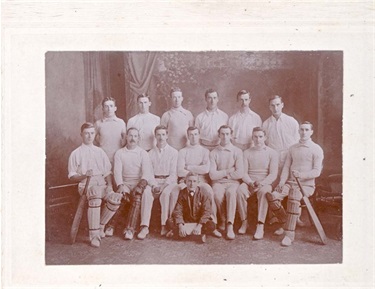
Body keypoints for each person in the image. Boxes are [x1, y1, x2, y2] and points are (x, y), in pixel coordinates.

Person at [267, 121, 324, 246]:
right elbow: (286, 167)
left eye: (306, 130)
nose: (304, 132)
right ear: (298, 131)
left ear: (311, 132)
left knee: (294, 195)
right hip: (290, 183)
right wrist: (282, 182)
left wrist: (302, 175)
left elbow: (317, 171)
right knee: (271, 196)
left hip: (307, 186)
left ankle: (289, 235)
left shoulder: (316, 149)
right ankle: (286, 222)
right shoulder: (292, 148)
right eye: (301, 130)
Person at [68, 122, 122, 248]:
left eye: (92, 133)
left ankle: (101, 226)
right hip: (85, 185)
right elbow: (72, 176)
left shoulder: (100, 152)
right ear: (81, 134)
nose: (89, 136)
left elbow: (107, 172)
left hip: (102, 184)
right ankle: (94, 236)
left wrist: (109, 185)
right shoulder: (76, 153)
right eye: (86, 133)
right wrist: (85, 175)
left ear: (95, 135)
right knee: (95, 194)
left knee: (116, 198)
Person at [173, 126, 222, 238]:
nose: (193, 137)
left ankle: (213, 223)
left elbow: (206, 169)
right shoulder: (182, 151)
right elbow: (180, 171)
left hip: (201, 180)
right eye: (191, 134)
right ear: (188, 136)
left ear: (199, 135)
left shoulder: (205, 151)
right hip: (185, 181)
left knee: (208, 190)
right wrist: (197, 169)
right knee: (176, 190)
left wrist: (189, 167)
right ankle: (175, 225)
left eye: (195, 134)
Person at [108, 127, 154, 240]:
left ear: (138, 138)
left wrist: (140, 185)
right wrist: (120, 185)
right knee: (122, 196)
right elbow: (117, 172)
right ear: (126, 137)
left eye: (135, 136)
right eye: (130, 136)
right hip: (125, 183)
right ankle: (110, 226)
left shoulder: (143, 153)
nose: (132, 138)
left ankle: (130, 229)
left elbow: (146, 172)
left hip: (138, 183)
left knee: (137, 197)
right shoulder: (119, 153)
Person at [236, 127, 278, 240]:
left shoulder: (272, 153)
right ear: (252, 138)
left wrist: (262, 183)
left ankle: (260, 225)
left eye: (260, 137)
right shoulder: (247, 152)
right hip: (250, 181)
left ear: (265, 137)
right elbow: (243, 172)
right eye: (255, 137)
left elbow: (273, 174)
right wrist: (250, 182)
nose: (258, 139)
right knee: (240, 190)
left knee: (264, 192)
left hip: (264, 183)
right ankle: (244, 222)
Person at [209, 125, 243, 240]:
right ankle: (222, 218)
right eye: (222, 134)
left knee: (231, 193)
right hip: (218, 183)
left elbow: (239, 173)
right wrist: (228, 171)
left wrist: (224, 174)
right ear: (219, 135)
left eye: (227, 134)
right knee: (217, 195)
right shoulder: (213, 152)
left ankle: (230, 224)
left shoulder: (237, 151)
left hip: (233, 182)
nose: (225, 136)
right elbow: (212, 175)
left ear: (231, 135)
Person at [166, 172, 217, 243]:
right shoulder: (182, 193)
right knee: (169, 222)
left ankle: (179, 234)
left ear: (198, 182)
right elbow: (178, 210)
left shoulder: (204, 192)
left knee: (211, 225)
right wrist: (181, 225)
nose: (192, 184)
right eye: (189, 181)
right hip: (186, 221)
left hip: (199, 221)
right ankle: (198, 235)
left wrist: (199, 226)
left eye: (194, 181)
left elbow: (207, 211)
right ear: (185, 182)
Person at [147, 125, 178, 236]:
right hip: (155, 181)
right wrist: (154, 185)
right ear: (155, 136)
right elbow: (149, 173)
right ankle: (144, 226)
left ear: (167, 136)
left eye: (163, 134)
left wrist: (164, 185)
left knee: (165, 195)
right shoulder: (150, 153)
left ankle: (164, 225)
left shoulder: (174, 152)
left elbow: (174, 174)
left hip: (169, 182)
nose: (161, 137)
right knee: (146, 193)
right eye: (158, 135)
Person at [262, 95, 299, 170]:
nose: (275, 108)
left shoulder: (291, 121)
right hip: (274, 159)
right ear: (269, 107)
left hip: (290, 157)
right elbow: (265, 144)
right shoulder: (265, 124)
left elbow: (297, 141)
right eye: (272, 105)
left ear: (282, 105)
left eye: (278, 105)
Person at [94, 97, 127, 164]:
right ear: (103, 109)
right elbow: (93, 140)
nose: (109, 109)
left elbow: (125, 140)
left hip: (118, 158)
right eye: (106, 106)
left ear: (115, 108)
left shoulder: (121, 122)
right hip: (102, 158)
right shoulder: (98, 123)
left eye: (111, 106)